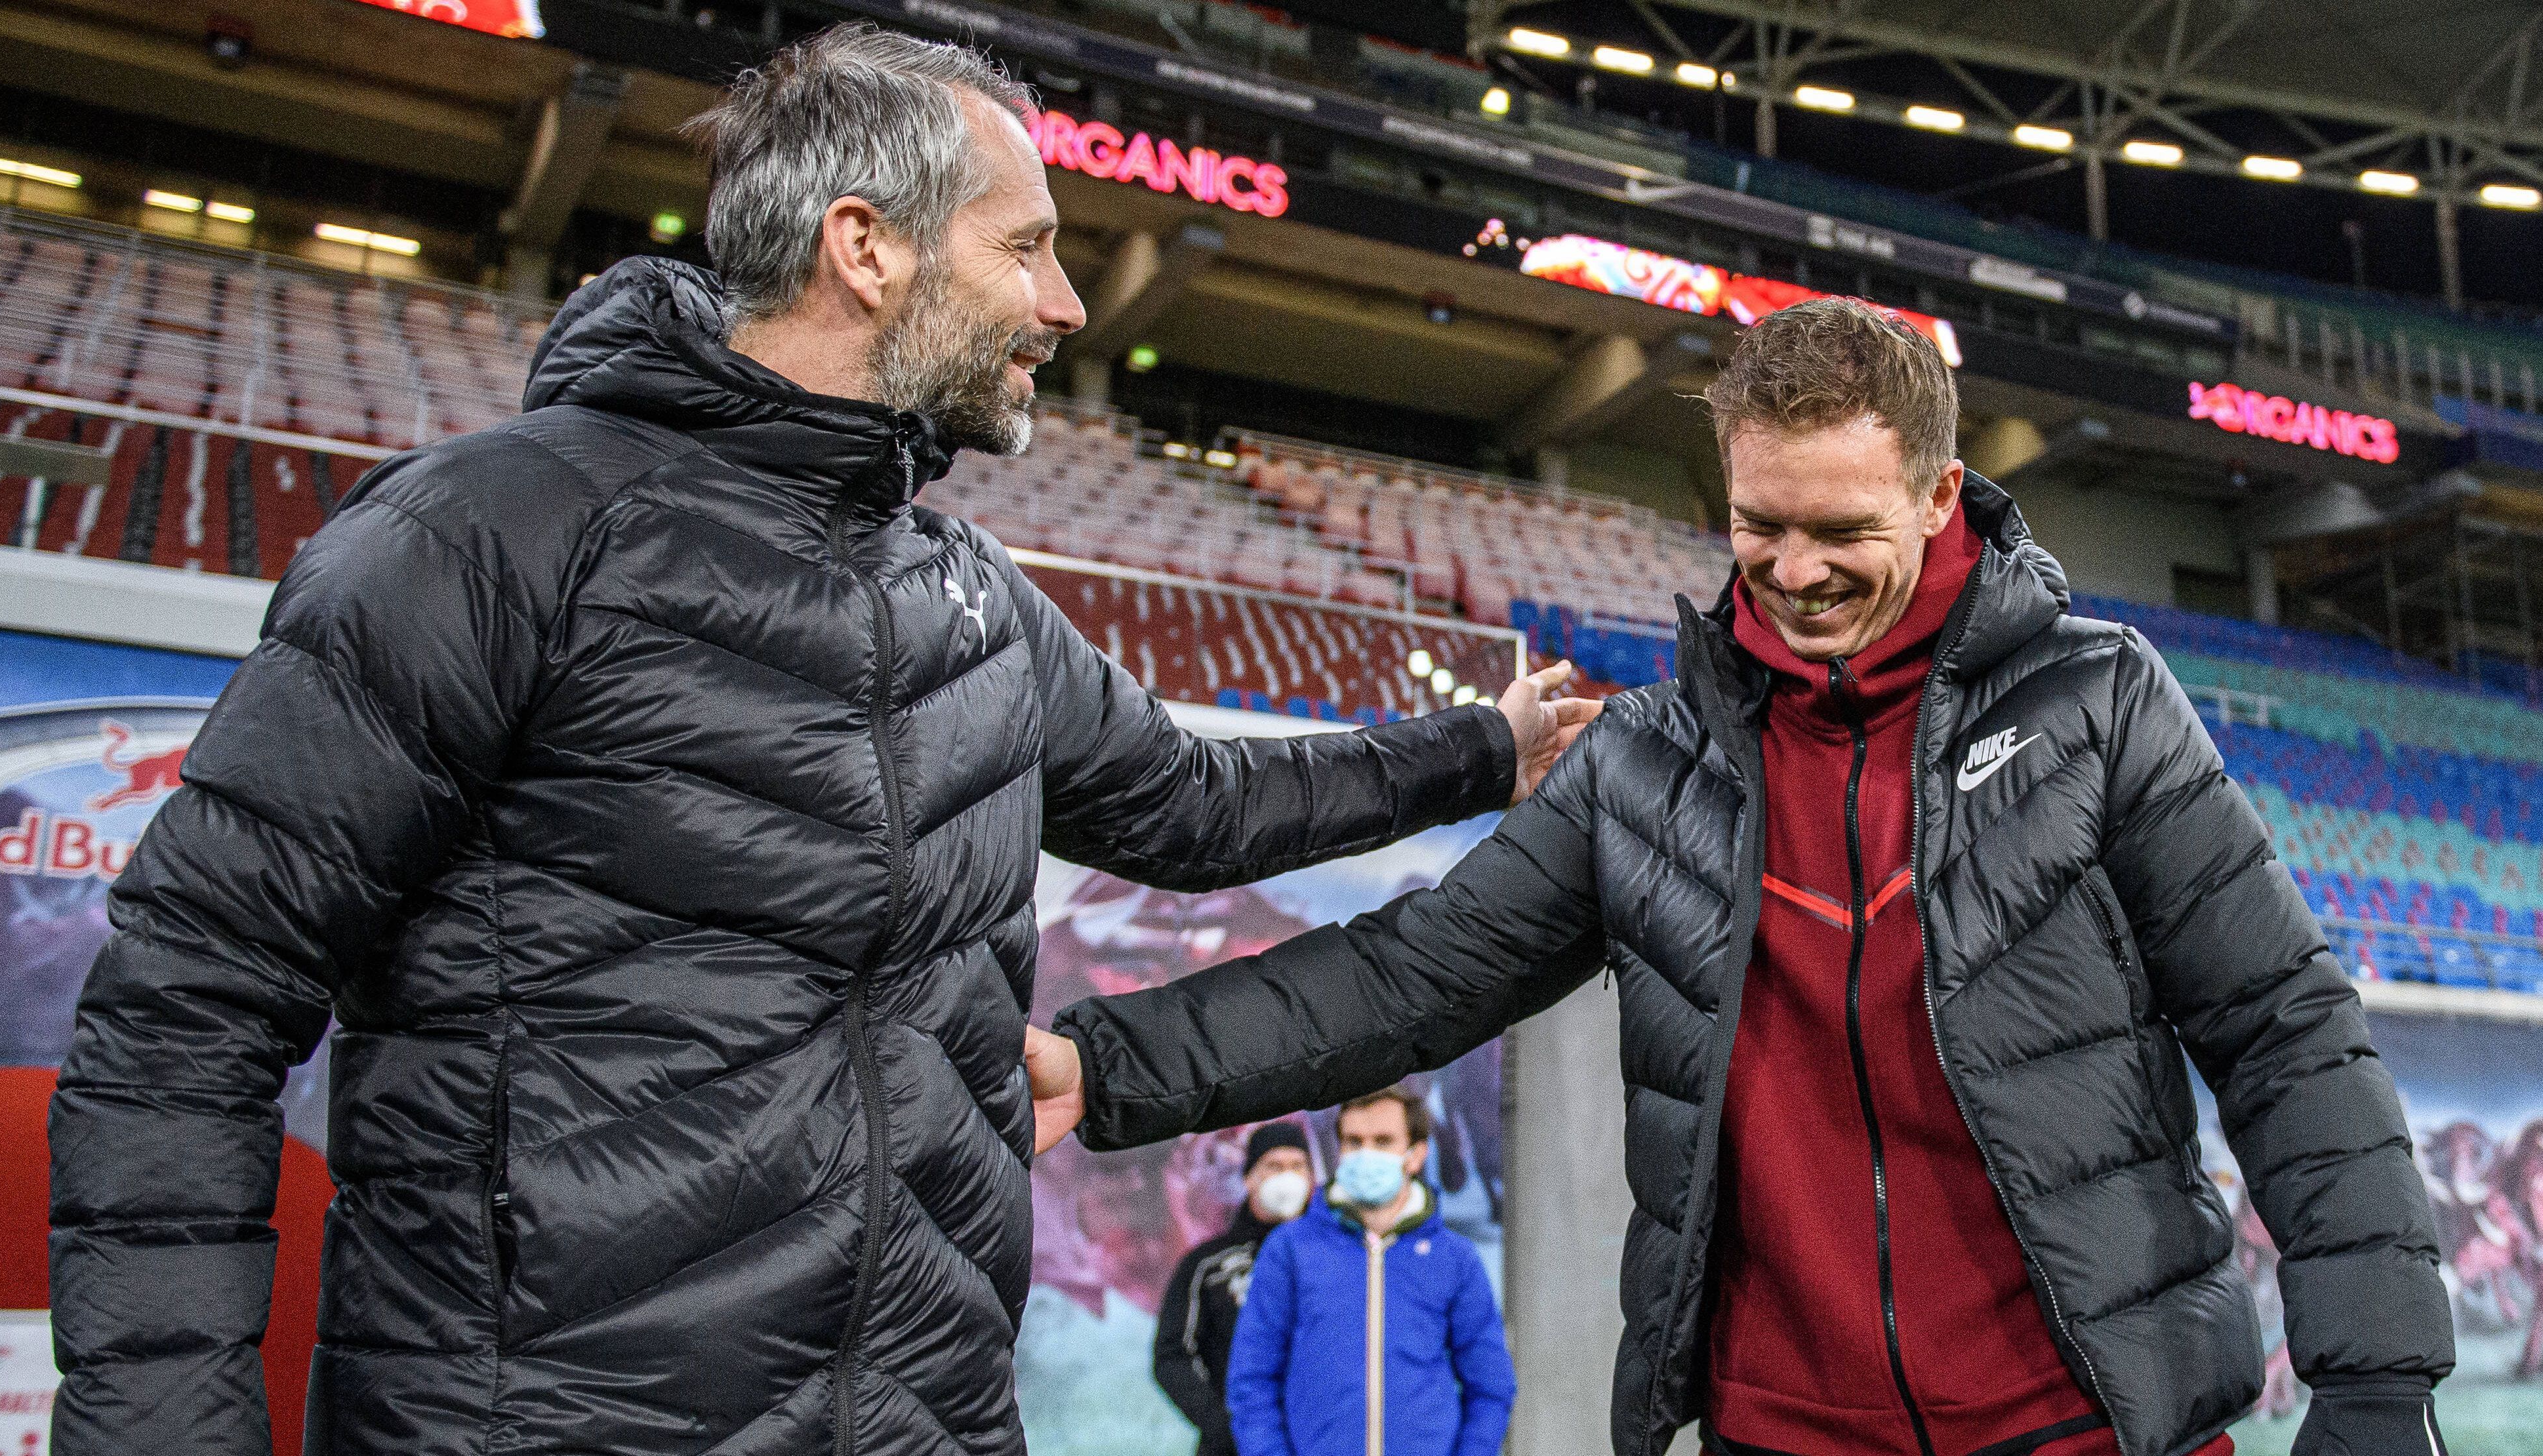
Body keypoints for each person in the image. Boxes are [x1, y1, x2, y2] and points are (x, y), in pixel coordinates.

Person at [41, 24, 1598, 1456]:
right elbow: (185, 1017)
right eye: (1028, 249)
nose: (1062, 305)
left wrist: (1480, 751)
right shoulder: (488, 533)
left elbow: (1192, 804)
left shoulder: (972, 597)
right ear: (866, 247)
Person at [1032, 298, 2454, 1456]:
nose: (1792, 571)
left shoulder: (2098, 705)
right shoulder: (1645, 765)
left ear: (1941, 492)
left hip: (2083, 1425)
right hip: (1777, 1437)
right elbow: (1408, 978)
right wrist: (1110, 1065)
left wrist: (2379, 1383)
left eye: (1841, 533)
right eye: (1756, 528)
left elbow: (2283, 1032)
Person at [1225, 1087, 1513, 1456]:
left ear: (1416, 1154)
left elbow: (1491, 1386)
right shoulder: (1290, 1249)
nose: (1366, 1154)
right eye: (1353, 1141)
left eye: (1383, 1141)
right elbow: (1252, 1381)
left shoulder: (1454, 1257)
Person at [1155, 1120, 1315, 1456]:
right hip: (1233, 1445)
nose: (1287, 1177)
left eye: (1298, 1166)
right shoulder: (1207, 1265)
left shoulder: (1339, 1257)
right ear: (1249, 1178)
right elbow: (1173, 1354)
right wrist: (1223, 1425)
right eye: (1274, 1166)